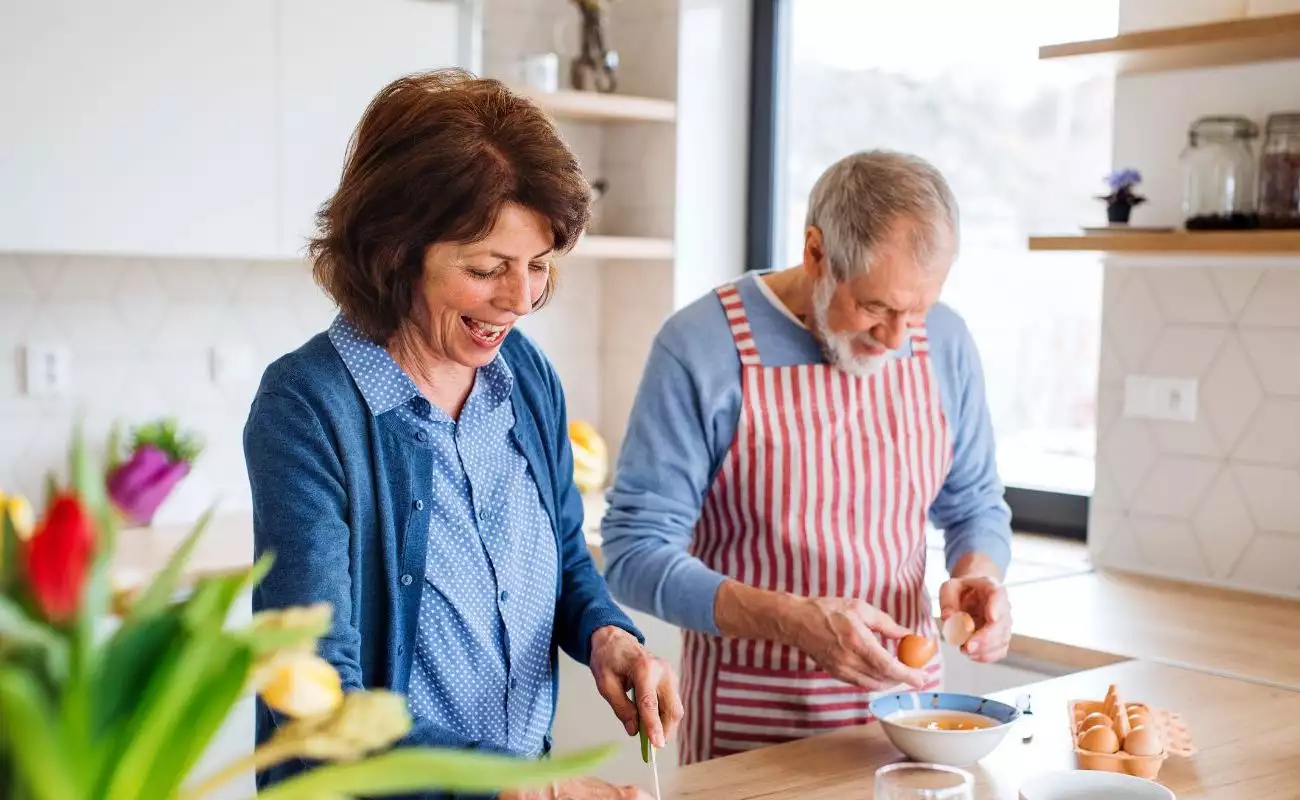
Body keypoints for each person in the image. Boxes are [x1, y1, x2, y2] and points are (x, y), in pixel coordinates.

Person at [244, 68, 679, 799]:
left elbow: (567, 557)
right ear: (395, 251)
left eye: (538, 266)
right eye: (487, 269)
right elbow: (316, 703)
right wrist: (507, 786)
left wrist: (608, 634)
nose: (520, 300)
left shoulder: (524, 377)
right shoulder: (309, 407)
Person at [600, 150, 1013, 765]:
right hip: (751, 737)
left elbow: (974, 502)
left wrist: (980, 573)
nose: (899, 338)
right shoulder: (702, 345)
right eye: (875, 307)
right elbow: (633, 553)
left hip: (907, 727)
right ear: (815, 251)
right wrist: (791, 619)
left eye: (916, 311)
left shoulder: (945, 341)